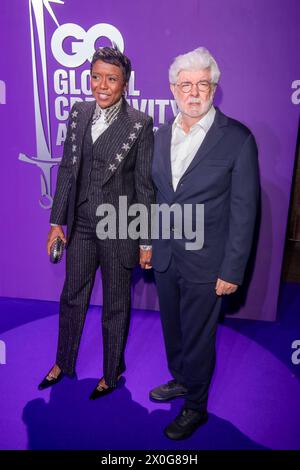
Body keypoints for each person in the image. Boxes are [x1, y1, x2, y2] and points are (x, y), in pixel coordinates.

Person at [150, 47, 259, 439]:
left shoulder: (237, 139)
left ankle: (195, 407)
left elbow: (245, 212)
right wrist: (149, 241)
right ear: (172, 89)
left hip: (208, 262)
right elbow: (158, 195)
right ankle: (181, 379)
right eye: (185, 85)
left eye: (202, 84)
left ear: (214, 88)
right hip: (166, 255)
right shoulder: (160, 135)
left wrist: (232, 269)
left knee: (199, 336)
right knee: (174, 329)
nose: (193, 92)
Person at [38, 46, 155, 399]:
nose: (102, 85)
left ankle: (110, 372)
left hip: (119, 228)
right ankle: (63, 361)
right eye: (96, 77)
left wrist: (146, 241)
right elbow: (68, 171)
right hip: (83, 226)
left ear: (125, 83)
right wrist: (57, 221)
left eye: (111, 79)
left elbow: (144, 187)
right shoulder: (79, 113)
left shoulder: (139, 124)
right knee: (72, 296)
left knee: (116, 304)